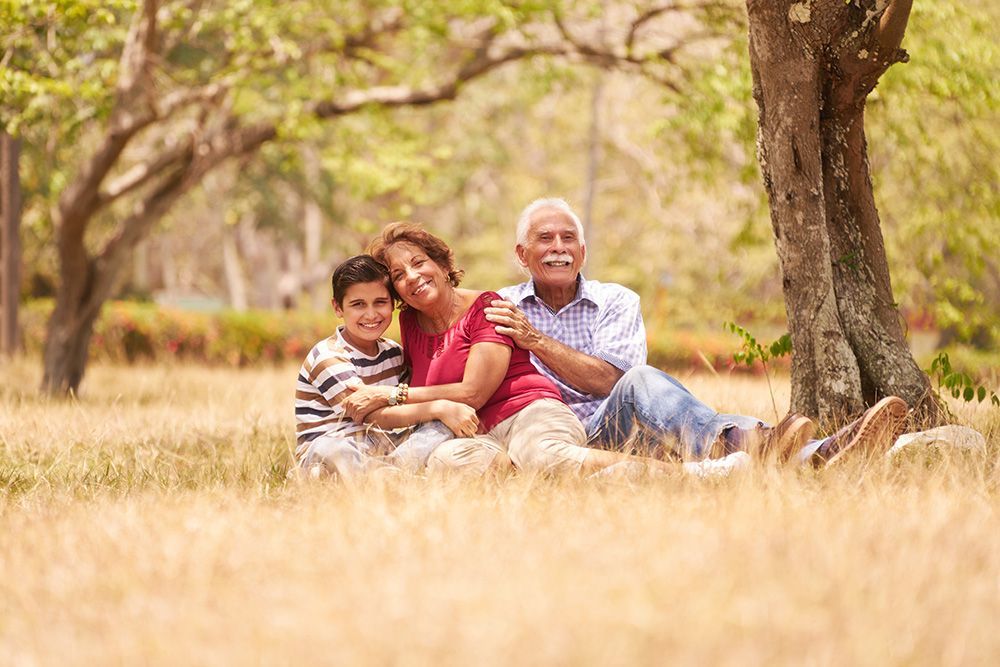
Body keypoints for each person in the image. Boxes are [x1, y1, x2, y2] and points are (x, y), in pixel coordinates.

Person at [484, 197, 908, 464]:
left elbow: (609, 381)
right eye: (545, 238)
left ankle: (819, 452)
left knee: (644, 386)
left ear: (582, 251)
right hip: (561, 439)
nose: (558, 247)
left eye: (568, 238)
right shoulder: (500, 307)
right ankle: (795, 448)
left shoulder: (616, 300)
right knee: (675, 413)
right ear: (523, 255)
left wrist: (534, 339)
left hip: (622, 428)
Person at [341, 222, 715, 477]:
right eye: (399, 275)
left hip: (529, 413)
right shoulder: (408, 323)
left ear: (441, 264)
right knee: (445, 464)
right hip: (474, 434)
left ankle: (689, 475)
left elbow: (473, 392)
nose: (412, 277)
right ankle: (579, 477)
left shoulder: (487, 307)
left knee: (543, 455)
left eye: (419, 263)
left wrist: (391, 394)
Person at [294, 255, 480, 479]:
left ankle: (391, 473)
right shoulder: (327, 356)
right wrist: (439, 407)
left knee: (441, 427)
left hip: (386, 449)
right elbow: (372, 414)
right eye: (358, 304)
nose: (371, 314)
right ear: (338, 308)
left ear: (392, 304)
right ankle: (391, 477)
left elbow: (406, 402)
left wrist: (442, 414)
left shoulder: (393, 352)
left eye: (380, 302)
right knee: (331, 448)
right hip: (337, 449)